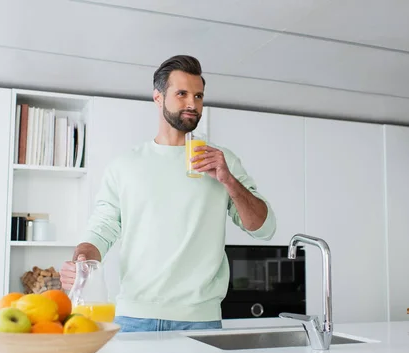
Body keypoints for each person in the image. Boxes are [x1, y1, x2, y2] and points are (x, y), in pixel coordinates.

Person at [60, 55, 276, 332]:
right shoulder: (125, 165)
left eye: (198, 96)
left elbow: (264, 228)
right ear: (158, 98)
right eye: (182, 94)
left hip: (200, 320)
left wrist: (229, 181)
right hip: (133, 317)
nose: (192, 104)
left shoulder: (222, 161)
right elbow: (101, 229)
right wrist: (83, 262)